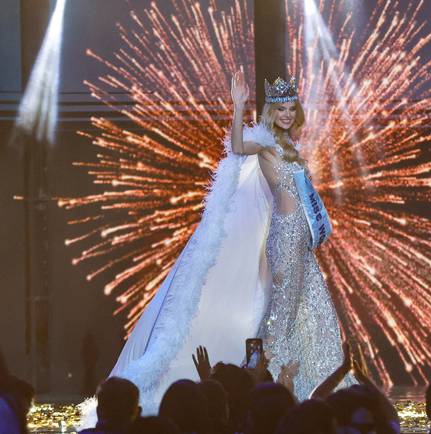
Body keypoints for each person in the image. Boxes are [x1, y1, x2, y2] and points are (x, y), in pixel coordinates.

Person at [102, 70, 348, 412]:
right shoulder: (266, 142)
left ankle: (297, 383)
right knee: (278, 312)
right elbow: (236, 147)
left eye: (291, 108)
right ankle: (269, 385)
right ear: (271, 113)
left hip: (301, 237)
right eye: (281, 109)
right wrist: (236, 107)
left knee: (303, 311)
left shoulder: (294, 147)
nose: (287, 114)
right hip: (284, 235)